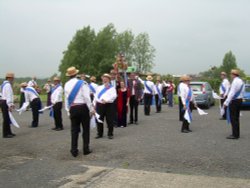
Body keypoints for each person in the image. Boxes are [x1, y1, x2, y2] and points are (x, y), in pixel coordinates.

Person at [64, 67, 94, 157]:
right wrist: (91, 109)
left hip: (72, 108)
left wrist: (68, 111)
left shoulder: (66, 84)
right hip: (83, 107)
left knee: (74, 130)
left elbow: (66, 99)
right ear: (76, 74)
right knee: (85, 129)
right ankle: (86, 149)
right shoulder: (82, 83)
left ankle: (74, 150)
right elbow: (87, 97)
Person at [94, 74, 117, 139]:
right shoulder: (99, 87)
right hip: (100, 105)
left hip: (109, 105)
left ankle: (110, 134)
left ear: (109, 79)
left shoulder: (112, 88)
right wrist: (98, 102)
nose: (105, 79)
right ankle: (99, 134)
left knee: (109, 120)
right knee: (99, 120)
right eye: (104, 78)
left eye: (106, 78)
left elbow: (114, 96)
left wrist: (106, 100)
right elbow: (95, 96)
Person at [223, 69, 244, 139]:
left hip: (234, 101)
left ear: (233, 74)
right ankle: (237, 133)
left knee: (233, 118)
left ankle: (235, 135)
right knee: (236, 118)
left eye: (231, 74)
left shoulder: (235, 81)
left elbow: (232, 93)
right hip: (239, 100)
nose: (230, 75)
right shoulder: (241, 81)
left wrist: (226, 102)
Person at [0, 73, 16, 138]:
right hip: (5, 102)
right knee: (6, 118)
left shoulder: (2, 85)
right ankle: (5, 134)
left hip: (2, 101)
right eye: (12, 78)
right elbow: (9, 95)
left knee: (7, 117)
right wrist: (10, 105)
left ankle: (9, 132)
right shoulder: (8, 85)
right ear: (9, 78)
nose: (13, 79)